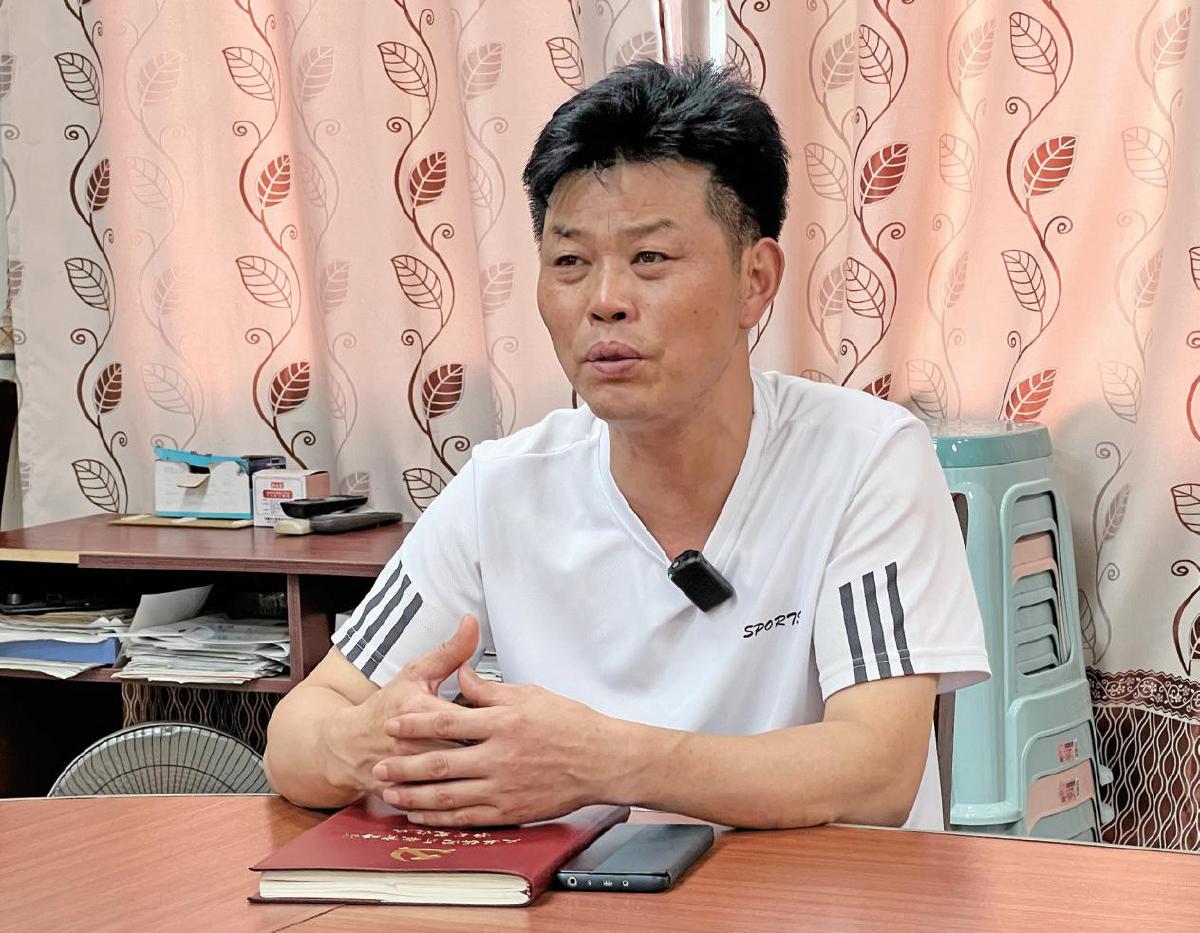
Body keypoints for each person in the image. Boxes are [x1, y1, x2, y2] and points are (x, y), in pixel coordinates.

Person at [264, 59, 989, 831]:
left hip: (817, 890)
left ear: (755, 280)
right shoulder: (501, 487)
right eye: (570, 262)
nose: (604, 302)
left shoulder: (865, 457)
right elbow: (298, 733)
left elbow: (877, 769)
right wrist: (367, 743)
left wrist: (599, 762)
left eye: (650, 259)